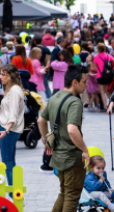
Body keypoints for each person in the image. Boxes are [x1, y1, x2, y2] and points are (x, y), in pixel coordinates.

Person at [38, 64, 90, 212]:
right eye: (84, 81)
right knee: (72, 196)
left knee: (64, 193)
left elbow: (41, 120)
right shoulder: (75, 102)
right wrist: (85, 150)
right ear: (75, 82)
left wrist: (44, 138)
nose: (86, 85)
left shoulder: (55, 96)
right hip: (72, 157)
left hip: (59, 156)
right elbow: (72, 129)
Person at [0, 64, 24, 192]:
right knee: (10, 162)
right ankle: (15, 192)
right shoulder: (13, 89)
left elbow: (13, 113)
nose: (0, 77)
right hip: (9, 129)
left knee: (7, 163)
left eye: (3, 74)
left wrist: (6, 130)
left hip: (9, 130)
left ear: (11, 76)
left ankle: (14, 194)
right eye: (1, 74)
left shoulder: (14, 91)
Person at [93, 43, 114, 112]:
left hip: (100, 75)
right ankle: (113, 104)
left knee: (102, 92)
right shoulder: (107, 56)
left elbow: (95, 68)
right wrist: (113, 69)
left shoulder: (96, 57)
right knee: (107, 91)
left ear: (98, 49)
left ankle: (106, 107)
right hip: (107, 75)